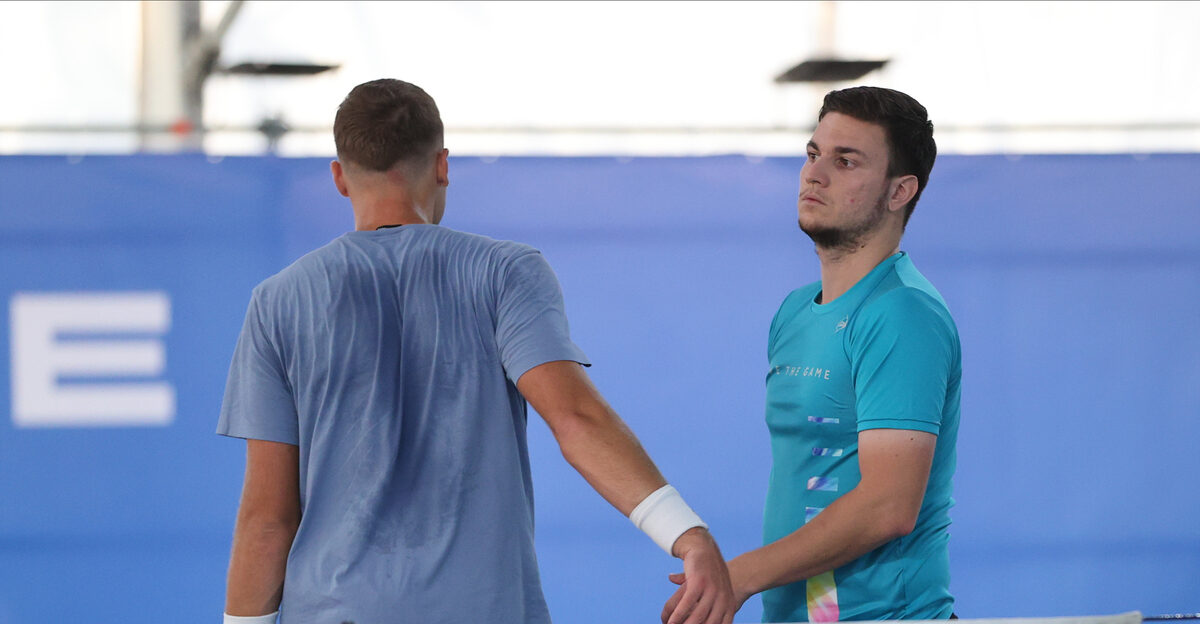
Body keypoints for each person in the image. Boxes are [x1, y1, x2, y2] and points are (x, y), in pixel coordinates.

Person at [217, 78, 734, 624]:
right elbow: (576, 419)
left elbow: (268, 518)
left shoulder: (277, 302)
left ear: (340, 178)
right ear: (442, 166)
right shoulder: (505, 272)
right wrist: (686, 534)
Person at [664, 86, 959, 623]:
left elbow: (889, 505)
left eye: (846, 161)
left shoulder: (903, 313)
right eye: (813, 154)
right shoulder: (796, 310)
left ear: (900, 192)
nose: (815, 174)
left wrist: (740, 576)